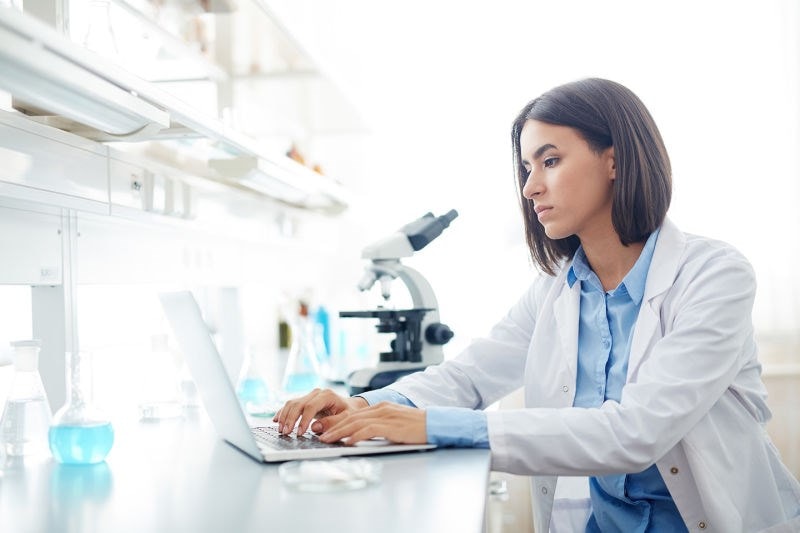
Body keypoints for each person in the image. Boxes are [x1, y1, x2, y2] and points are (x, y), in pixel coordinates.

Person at [274, 78, 800, 532]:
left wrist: (432, 426)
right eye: (526, 167)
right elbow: (470, 377)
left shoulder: (714, 275)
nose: (530, 186)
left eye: (550, 160)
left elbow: (636, 433)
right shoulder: (555, 287)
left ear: (614, 160)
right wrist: (365, 407)